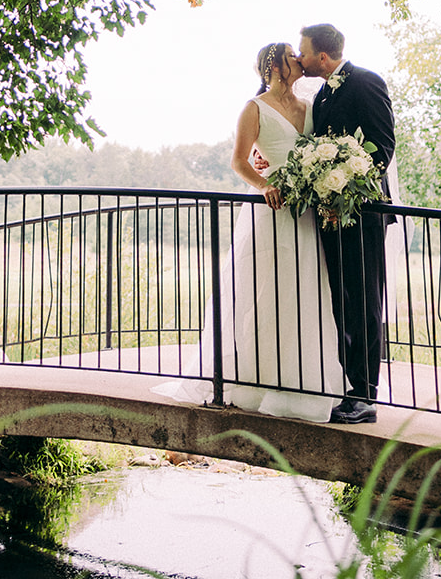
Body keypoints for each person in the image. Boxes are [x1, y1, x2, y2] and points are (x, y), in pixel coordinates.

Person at [158, 42, 344, 422]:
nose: (298, 59)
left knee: (306, 289)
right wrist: (264, 185)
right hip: (270, 210)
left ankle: (307, 379)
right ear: (276, 65)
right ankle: (257, 378)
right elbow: (239, 161)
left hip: (305, 210)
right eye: (292, 54)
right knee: (265, 290)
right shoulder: (254, 108)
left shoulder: (309, 108)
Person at [298, 22, 396, 425]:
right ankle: (349, 388)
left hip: (363, 214)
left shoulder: (366, 82)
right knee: (343, 303)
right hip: (332, 218)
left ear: (322, 56)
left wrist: (345, 196)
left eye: (303, 51)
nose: (298, 59)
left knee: (366, 305)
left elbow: (382, 147)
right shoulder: (320, 94)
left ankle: (366, 397)